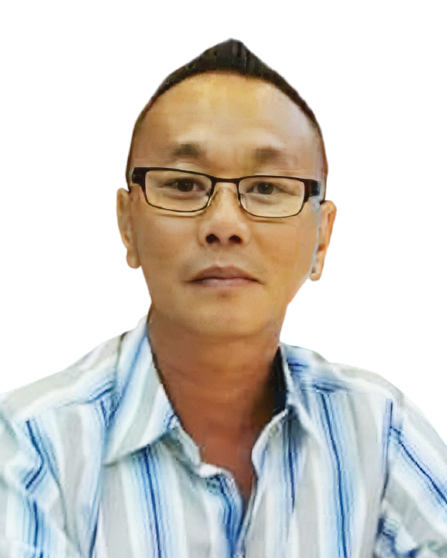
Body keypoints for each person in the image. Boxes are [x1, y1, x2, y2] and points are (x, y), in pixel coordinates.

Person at [1, 38, 446, 558]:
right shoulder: (29, 446)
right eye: (183, 185)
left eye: (267, 188)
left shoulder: (380, 428)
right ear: (126, 226)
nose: (224, 224)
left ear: (322, 241)